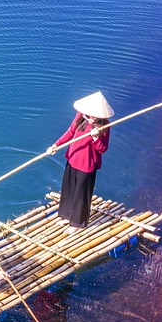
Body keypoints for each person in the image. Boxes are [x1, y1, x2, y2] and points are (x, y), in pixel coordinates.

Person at [47, 91, 113, 228]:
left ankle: (77, 223)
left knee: (81, 195)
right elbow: (70, 132)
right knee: (68, 189)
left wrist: (96, 138)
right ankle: (66, 216)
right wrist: (55, 145)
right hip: (73, 158)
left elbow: (103, 149)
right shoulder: (80, 116)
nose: (89, 117)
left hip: (87, 164)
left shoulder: (105, 126)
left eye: (92, 115)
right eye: (87, 114)